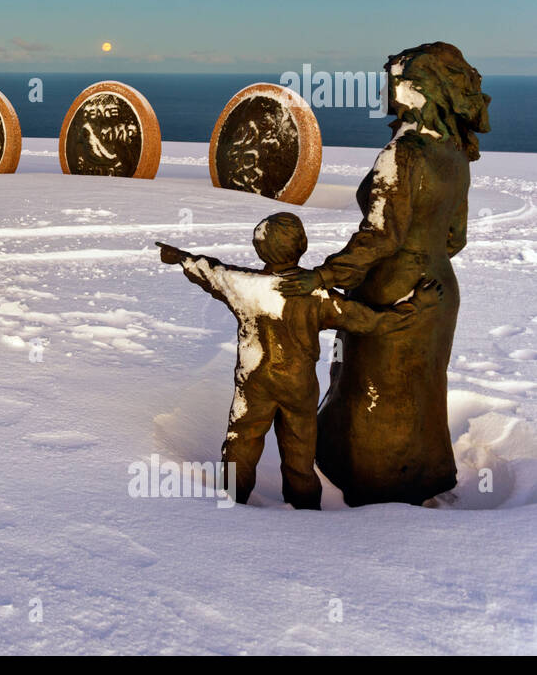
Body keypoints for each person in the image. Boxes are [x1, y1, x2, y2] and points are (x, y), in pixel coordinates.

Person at [277, 42, 491, 505]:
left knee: (372, 389)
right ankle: (421, 476)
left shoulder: (404, 153)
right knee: (422, 391)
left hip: (391, 286)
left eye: (399, 81)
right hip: (439, 288)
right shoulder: (455, 155)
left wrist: (325, 275)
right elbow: (456, 238)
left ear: (424, 90)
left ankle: (371, 484)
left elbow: (380, 236)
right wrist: (427, 257)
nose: (390, 90)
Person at [158, 213, 441, 509]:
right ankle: (304, 509)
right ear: (302, 245)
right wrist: (417, 306)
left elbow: (211, 272)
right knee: (300, 451)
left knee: (241, 440)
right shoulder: (317, 296)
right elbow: (370, 321)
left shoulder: (245, 286)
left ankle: (229, 499)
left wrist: (181, 258)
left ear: (259, 250)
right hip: (299, 387)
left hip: (255, 382)